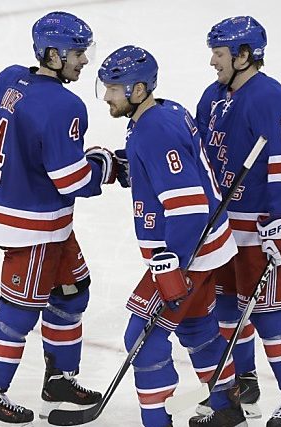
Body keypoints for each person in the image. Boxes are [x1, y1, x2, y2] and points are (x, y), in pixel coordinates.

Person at [0, 12, 115, 425]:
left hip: (39, 219)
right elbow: (70, 179)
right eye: (77, 53)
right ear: (52, 54)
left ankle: (60, 380)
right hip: (32, 225)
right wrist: (106, 167)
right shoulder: (64, 105)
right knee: (19, 310)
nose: (84, 61)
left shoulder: (7, 78)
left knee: (71, 292)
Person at [97, 45, 246, 427]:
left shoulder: (154, 130)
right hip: (207, 245)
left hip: (188, 250)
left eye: (113, 88)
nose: (107, 96)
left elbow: (189, 207)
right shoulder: (163, 113)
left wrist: (172, 264)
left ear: (138, 89)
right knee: (197, 327)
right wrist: (123, 163)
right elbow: (173, 168)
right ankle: (226, 408)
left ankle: (158, 421)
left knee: (142, 338)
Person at [196, 16, 281, 427]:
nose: (213, 61)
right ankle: (242, 384)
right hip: (225, 227)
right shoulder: (213, 96)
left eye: (219, 53)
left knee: (268, 313)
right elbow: (201, 155)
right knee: (227, 309)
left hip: (264, 227)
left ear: (243, 55)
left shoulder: (271, 98)